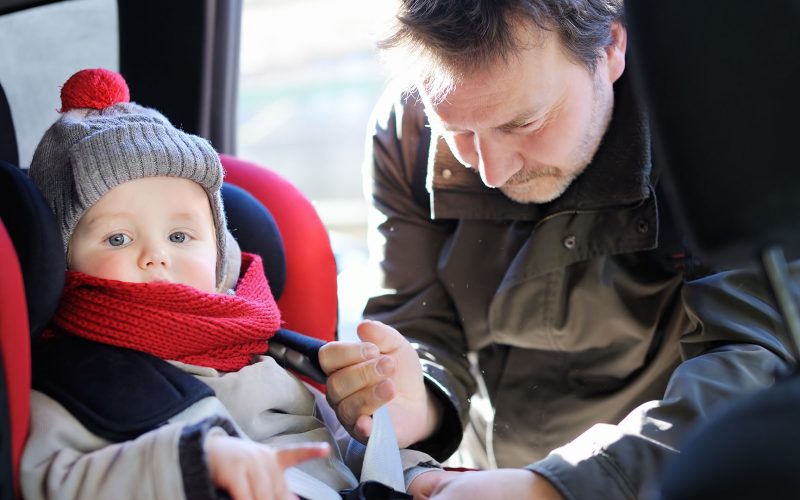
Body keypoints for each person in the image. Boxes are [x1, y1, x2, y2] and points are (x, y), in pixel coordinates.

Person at [318, 1, 796, 499]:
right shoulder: (408, 128)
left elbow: (756, 364)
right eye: (457, 132)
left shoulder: (728, 130)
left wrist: (552, 488)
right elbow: (419, 324)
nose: (490, 172)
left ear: (611, 48)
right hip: (480, 474)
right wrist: (418, 396)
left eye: (523, 124)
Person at [20, 68, 448, 500]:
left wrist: (415, 476)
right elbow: (51, 478)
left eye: (179, 236)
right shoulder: (70, 378)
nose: (157, 255)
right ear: (61, 262)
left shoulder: (262, 352)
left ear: (220, 254)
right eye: (117, 238)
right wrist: (189, 465)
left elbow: (340, 453)